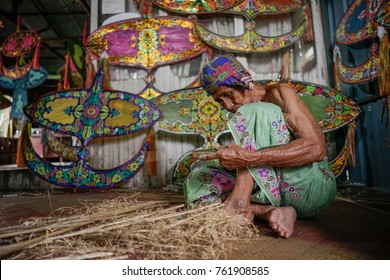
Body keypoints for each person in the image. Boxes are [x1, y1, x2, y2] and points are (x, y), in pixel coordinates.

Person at [183, 54, 337, 238]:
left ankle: (240, 202)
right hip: (274, 194)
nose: (228, 105)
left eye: (228, 95)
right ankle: (267, 212)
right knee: (199, 177)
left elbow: (315, 149)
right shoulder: (243, 112)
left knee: (258, 111)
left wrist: (248, 158)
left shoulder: (280, 93)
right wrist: (234, 157)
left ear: (243, 81)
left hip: (310, 186)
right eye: (220, 101)